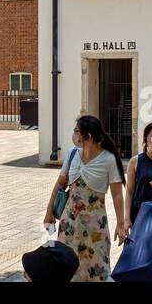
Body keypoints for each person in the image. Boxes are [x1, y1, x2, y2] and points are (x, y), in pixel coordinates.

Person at [43, 114, 128, 281]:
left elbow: (117, 195)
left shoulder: (108, 159)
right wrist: (49, 211)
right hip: (69, 224)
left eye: (77, 131)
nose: (74, 135)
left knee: (96, 267)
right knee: (67, 267)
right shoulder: (72, 154)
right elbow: (60, 183)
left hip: (95, 226)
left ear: (88, 136)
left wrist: (120, 224)